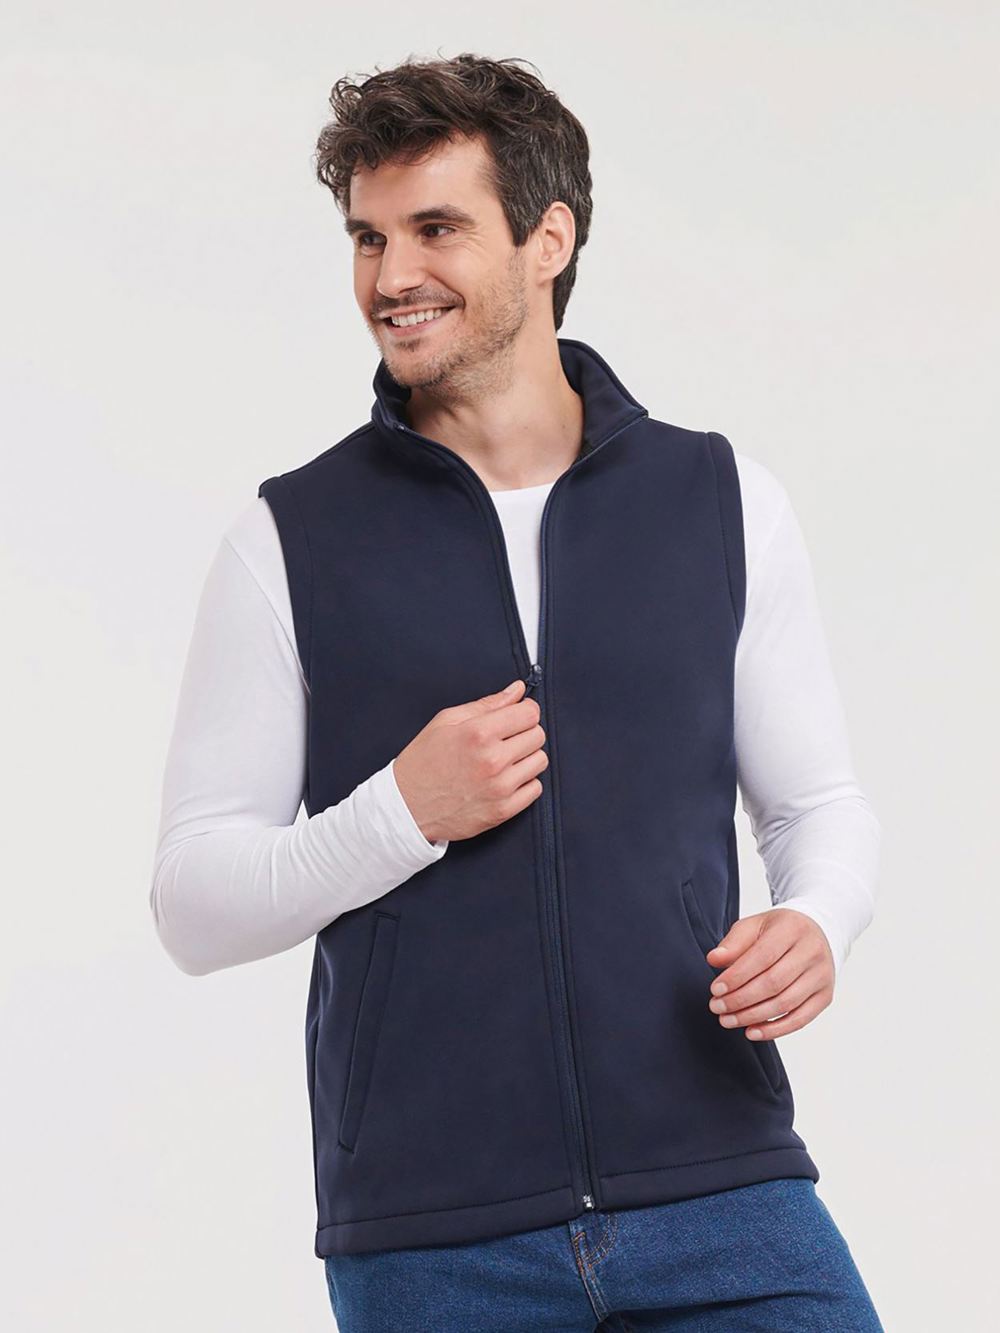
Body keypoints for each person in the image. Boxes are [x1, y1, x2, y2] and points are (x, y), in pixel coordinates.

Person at [150, 53, 884, 1331]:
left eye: (435, 228)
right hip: (435, 1238)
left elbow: (817, 804)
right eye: (367, 237)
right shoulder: (291, 540)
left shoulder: (719, 502)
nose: (391, 275)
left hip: (718, 1185)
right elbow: (192, 902)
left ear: (549, 239)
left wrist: (817, 918)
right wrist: (399, 811)